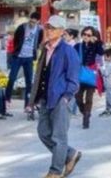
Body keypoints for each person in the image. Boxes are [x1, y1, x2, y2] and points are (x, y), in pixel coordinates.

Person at [30, 15, 82, 178]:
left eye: (52, 28)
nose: (49, 30)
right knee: (43, 132)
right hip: (45, 98)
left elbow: (74, 79)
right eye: (47, 27)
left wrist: (66, 97)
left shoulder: (68, 51)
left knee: (59, 136)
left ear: (61, 31)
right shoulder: (45, 48)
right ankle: (70, 154)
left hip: (60, 98)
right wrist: (33, 98)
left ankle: (55, 171)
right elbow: (40, 75)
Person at [5, 11, 42, 117]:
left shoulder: (39, 30)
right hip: (18, 56)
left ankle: (27, 104)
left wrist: (34, 53)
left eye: (34, 22)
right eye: (31, 21)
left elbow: (38, 42)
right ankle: (7, 99)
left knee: (29, 81)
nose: (32, 23)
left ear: (38, 22)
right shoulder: (22, 27)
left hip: (29, 57)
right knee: (12, 78)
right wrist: (16, 51)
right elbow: (16, 39)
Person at [74, 26, 104, 128]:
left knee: (89, 98)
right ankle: (85, 112)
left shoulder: (94, 45)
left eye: (89, 35)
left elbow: (101, 52)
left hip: (91, 74)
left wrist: (97, 42)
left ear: (92, 36)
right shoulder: (78, 46)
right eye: (84, 34)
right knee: (78, 97)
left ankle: (86, 119)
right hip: (79, 74)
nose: (86, 36)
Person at [100, 48, 111, 117]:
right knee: (107, 97)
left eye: (105, 56)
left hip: (110, 83)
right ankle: (108, 109)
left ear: (110, 56)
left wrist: (100, 68)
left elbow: (106, 73)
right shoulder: (109, 63)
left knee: (110, 97)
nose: (104, 57)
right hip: (107, 83)